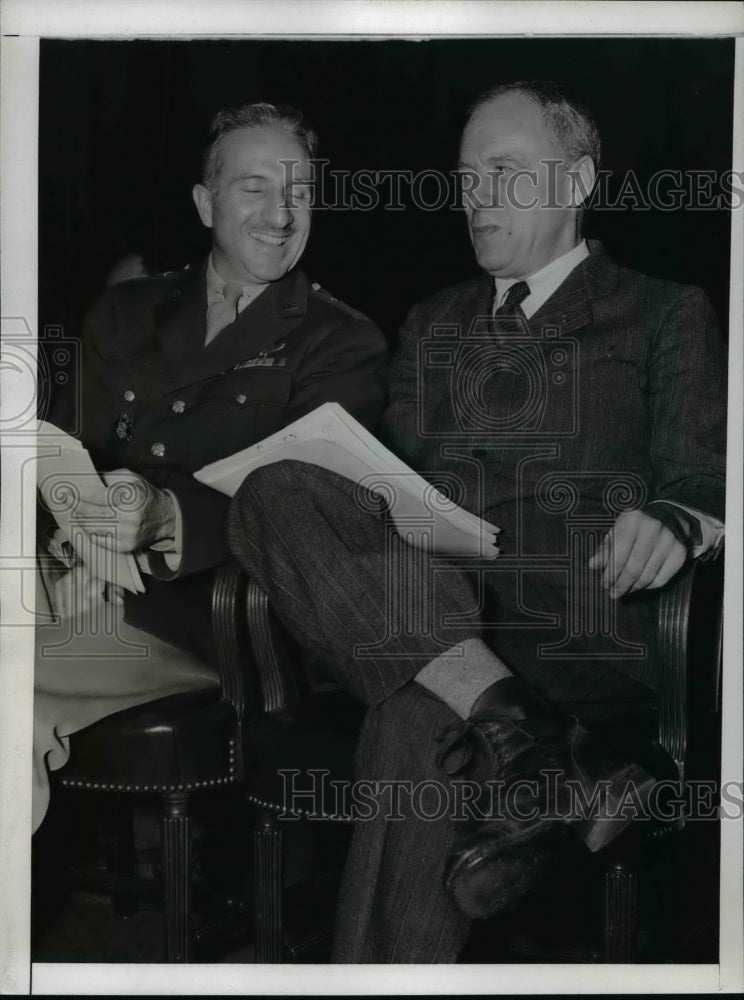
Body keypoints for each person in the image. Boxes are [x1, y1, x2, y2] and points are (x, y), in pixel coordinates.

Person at [226, 81, 726, 962]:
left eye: (503, 172)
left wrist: (679, 518)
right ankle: (539, 754)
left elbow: (706, 471)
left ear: (576, 183)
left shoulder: (662, 312)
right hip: (439, 610)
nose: (475, 198)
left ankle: (523, 753)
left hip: (579, 623)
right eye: (464, 177)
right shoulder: (432, 322)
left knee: (415, 709)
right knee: (275, 489)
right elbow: (395, 488)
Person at [33, 102, 388, 832]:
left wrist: (162, 518)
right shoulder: (126, 312)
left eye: (299, 189)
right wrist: (75, 543)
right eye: (254, 188)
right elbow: (57, 453)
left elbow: (303, 510)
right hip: (67, 589)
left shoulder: (342, 343)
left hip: (211, 622)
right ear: (205, 203)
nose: (282, 213)